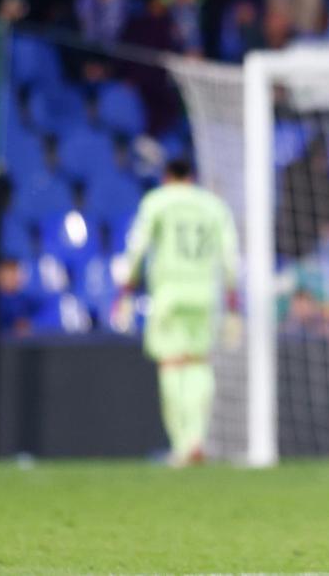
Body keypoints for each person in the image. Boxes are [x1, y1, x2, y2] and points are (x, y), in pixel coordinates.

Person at [116, 159, 241, 467]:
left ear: (165, 177)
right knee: (199, 363)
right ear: (193, 178)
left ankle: (182, 445)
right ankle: (198, 438)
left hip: (169, 294)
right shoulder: (213, 206)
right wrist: (233, 305)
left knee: (172, 365)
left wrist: (125, 293)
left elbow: (137, 248)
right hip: (204, 295)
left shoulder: (157, 201)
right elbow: (230, 257)